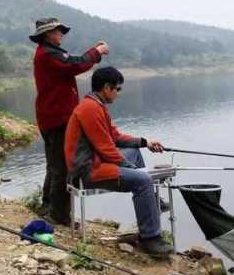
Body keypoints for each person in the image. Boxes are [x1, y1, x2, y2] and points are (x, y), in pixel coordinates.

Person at [64, 67, 174, 256]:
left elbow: (114, 136)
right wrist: (133, 170)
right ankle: (150, 239)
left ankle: (152, 202)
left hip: (96, 161)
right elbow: (106, 148)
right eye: (118, 89)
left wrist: (144, 142)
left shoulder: (96, 105)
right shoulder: (90, 109)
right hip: (88, 170)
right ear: (107, 88)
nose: (118, 93)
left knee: (134, 152)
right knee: (144, 181)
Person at [31, 18, 109, 224]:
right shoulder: (48, 54)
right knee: (63, 166)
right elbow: (76, 64)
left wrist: (93, 52)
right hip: (58, 117)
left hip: (51, 116)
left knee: (54, 164)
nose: (61, 34)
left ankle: (48, 205)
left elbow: (73, 62)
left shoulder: (47, 53)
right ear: (48, 34)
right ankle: (59, 215)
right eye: (58, 31)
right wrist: (98, 51)